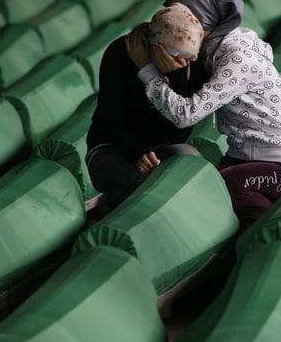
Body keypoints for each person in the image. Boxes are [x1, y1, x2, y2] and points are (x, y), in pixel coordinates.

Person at [126, 0, 281, 228]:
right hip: (240, 158)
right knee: (196, 188)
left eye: (184, 17)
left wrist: (148, 71)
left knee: (218, 191)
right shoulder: (213, 50)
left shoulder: (237, 57)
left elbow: (185, 115)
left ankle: (262, 235)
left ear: (204, 22)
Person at [85, 20, 207, 213]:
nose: (184, 62)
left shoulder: (188, 63)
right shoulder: (120, 52)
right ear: (158, 48)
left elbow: (179, 135)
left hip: (158, 150)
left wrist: (177, 76)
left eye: (189, 58)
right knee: (151, 184)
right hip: (111, 149)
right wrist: (137, 154)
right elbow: (111, 119)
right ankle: (105, 204)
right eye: (177, 56)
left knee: (190, 162)